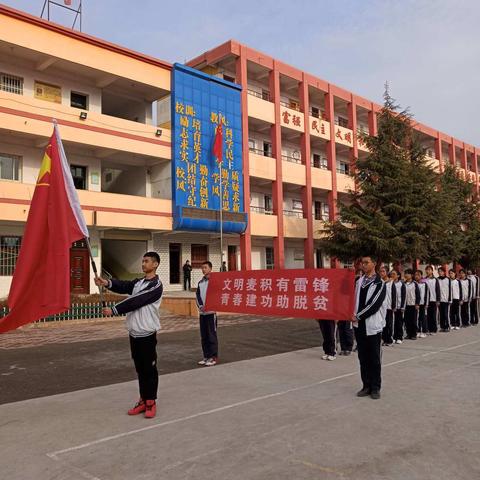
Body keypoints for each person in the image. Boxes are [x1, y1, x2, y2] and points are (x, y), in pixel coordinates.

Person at [95, 251, 163, 419]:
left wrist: (114, 309)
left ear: (155, 264)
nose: (143, 264)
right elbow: (125, 286)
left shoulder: (156, 285)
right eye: (142, 261)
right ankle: (142, 399)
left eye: (146, 261)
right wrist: (107, 282)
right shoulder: (139, 282)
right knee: (140, 369)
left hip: (147, 334)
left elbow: (137, 300)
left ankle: (151, 402)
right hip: (134, 333)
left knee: (149, 370)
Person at [352, 255, 387, 400]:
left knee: (374, 358)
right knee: (363, 357)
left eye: (367, 263)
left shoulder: (380, 283)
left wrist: (358, 315)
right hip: (359, 326)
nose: (364, 265)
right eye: (362, 263)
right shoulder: (359, 281)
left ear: (374, 264)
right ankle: (366, 385)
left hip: (372, 326)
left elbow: (374, 305)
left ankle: (375, 387)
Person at [196, 260, 218, 366]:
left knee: (211, 335)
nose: (203, 269)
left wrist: (210, 305)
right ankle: (206, 356)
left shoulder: (215, 281)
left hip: (211, 313)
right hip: (202, 313)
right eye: (202, 268)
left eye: (205, 267)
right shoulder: (201, 282)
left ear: (210, 268)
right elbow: (197, 296)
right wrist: (201, 306)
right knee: (204, 336)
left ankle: (213, 357)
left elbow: (217, 294)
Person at [380, 267, 396, 347]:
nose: (382, 273)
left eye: (383, 271)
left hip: (389, 307)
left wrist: (393, 306)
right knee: (383, 324)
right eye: (381, 271)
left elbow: (393, 295)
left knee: (389, 323)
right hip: (382, 307)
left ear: (387, 273)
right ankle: (384, 339)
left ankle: (390, 339)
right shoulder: (380, 282)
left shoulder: (391, 282)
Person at [403, 269, 420, 340]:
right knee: (407, 320)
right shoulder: (403, 284)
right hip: (406, 305)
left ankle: (414, 334)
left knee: (413, 320)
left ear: (412, 275)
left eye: (408, 273)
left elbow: (418, 294)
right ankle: (408, 333)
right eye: (405, 273)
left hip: (413, 305)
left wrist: (417, 303)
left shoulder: (415, 284)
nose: (406, 275)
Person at [424, 265, 440, 334]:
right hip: (426, 301)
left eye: (429, 270)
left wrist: (438, 300)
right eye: (427, 270)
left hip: (433, 300)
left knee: (433, 315)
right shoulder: (424, 279)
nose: (428, 271)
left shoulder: (435, 280)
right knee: (427, 315)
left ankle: (434, 329)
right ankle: (428, 329)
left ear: (432, 271)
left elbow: (438, 290)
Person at [392, 270, 406, 344]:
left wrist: (403, 306)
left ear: (398, 276)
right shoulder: (390, 283)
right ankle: (394, 337)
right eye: (391, 274)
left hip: (399, 307)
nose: (392, 275)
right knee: (393, 323)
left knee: (399, 322)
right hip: (392, 307)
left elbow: (404, 296)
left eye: (394, 274)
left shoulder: (401, 284)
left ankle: (399, 337)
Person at [414, 270, 429, 337]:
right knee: (417, 318)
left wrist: (426, 303)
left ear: (421, 276)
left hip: (423, 303)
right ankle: (418, 330)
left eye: (418, 275)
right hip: (416, 304)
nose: (417, 276)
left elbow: (427, 294)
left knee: (423, 317)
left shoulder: (424, 284)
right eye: (415, 275)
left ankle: (424, 331)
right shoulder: (414, 283)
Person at [437, 267, 452, 332]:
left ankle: (447, 326)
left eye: (441, 271)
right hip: (440, 300)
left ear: (444, 272)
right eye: (439, 271)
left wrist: (450, 299)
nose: (440, 272)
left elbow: (450, 290)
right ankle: (442, 327)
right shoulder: (437, 279)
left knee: (446, 314)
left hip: (446, 300)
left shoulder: (448, 279)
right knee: (441, 314)